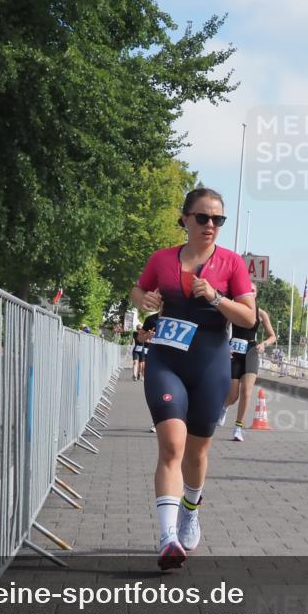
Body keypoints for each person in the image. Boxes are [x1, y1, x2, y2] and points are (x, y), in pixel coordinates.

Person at [130, 188, 256, 569]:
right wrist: (142, 300)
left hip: (210, 366)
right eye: (203, 218)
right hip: (166, 361)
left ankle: (189, 511)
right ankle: (168, 537)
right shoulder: (162, 259)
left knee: (198, 453)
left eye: (218, 220)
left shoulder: (232, 263)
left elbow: (248, 318)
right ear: (184, 219)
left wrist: (217, 298)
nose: (211, 226)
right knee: (171, 446)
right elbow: (138, 290)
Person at [219, 285, 276, 441]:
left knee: (246, 393)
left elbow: (272, 336)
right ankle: (224, 407)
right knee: (233, 395)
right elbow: (222, 330)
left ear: (256, 294)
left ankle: (238, 428)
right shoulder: (235, 309)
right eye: (248, 290)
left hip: (251, 351)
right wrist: (225, 346)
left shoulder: (261, 313)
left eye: (253, 290)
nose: (250, 292)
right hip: (234, 352)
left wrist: (264, 344)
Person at [137, 308, 161, 430]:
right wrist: (147, 335)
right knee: (157, 391)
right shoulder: (151, 319)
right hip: (156, 359)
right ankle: (156, 421)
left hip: (178, 360)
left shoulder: (181, 316)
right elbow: (140, 338)